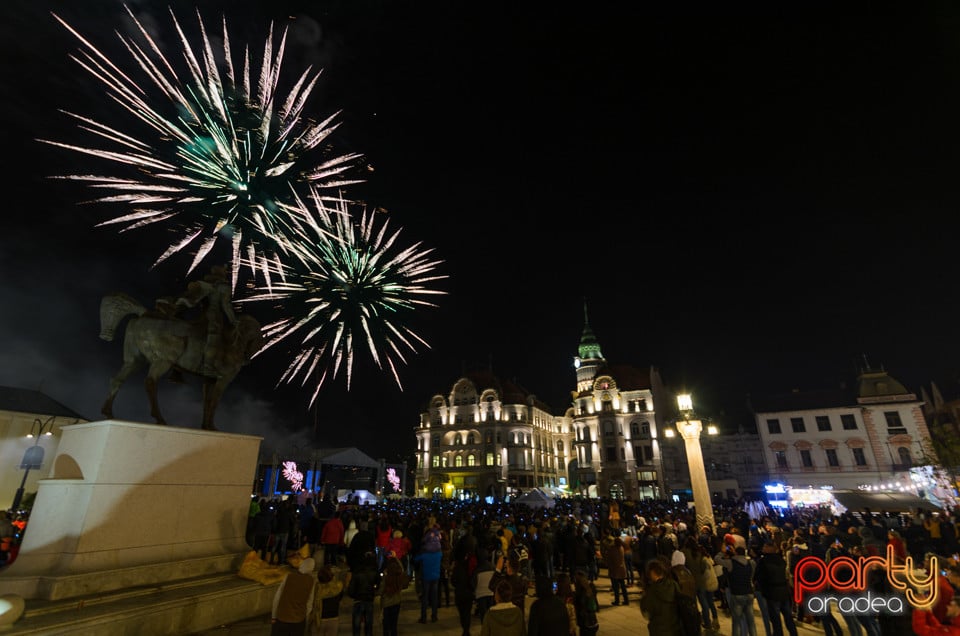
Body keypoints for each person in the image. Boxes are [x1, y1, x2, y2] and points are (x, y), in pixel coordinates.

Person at [175, 263, 238, 376]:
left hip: (202, 312)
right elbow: (226, 305)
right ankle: (208, 366)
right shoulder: (223, 286)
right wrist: (233, 320)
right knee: (214, 335)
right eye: (225, 272)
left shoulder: (206, 283)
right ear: (222, 273)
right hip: (214, 313)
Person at [755, 541, 797, 636]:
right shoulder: (780, 560)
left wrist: (763, 591)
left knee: (776, 620)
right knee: (788, 618)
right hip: (784, 592)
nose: (763, 548)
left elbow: (759, 577)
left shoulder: (763, 561)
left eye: (765, 546)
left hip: (772, 593)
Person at [271, 557, 317, 636]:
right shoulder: (311, 581)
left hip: (282, 617)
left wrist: (274, 616)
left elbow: (277, 597)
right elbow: (309, 603)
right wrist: (304, 616)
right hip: (298, 621)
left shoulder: (289, 577)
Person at [640, 558, 681, 636]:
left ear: (652, 573)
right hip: (675, 628)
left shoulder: (652, 590)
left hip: (658, 630)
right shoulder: (673, 584)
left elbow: (646, 611)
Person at [347, 551, 380, 636]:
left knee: (356, 626)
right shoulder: (374, 572)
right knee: (369, 625)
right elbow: (378, 585)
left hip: (358, 600)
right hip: (369, 599)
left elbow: (351, 590)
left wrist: (354, 595)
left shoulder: (357, 573)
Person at [414, 532, 443, 623]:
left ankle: (424, 617)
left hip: (426, 576)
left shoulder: (424, 554)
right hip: (436, 576)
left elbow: (416, 559)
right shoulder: (439, 553)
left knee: (425, 597)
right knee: (434, 597)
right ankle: (434, 616)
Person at [380, 550, 409, 636]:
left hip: (386, 603)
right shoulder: (399, 576)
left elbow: (381, 590)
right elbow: (402, 569)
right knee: (394, 624)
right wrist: (395, 558)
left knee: (386, 624)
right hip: (397, 601)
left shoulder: (386, 577)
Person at [310, 565, 344, 636]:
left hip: (319, 619)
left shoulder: (317, 588)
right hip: (334, 618)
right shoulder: (338, 586)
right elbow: (340, 598)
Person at [604, 529, 629, 605]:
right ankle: (626, 600)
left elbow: (609, 559)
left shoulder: (612, 549)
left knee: (616, 587)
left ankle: (617, 600)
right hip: (622, 569)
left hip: (615, 570)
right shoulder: (621, 548)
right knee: (623, 586)